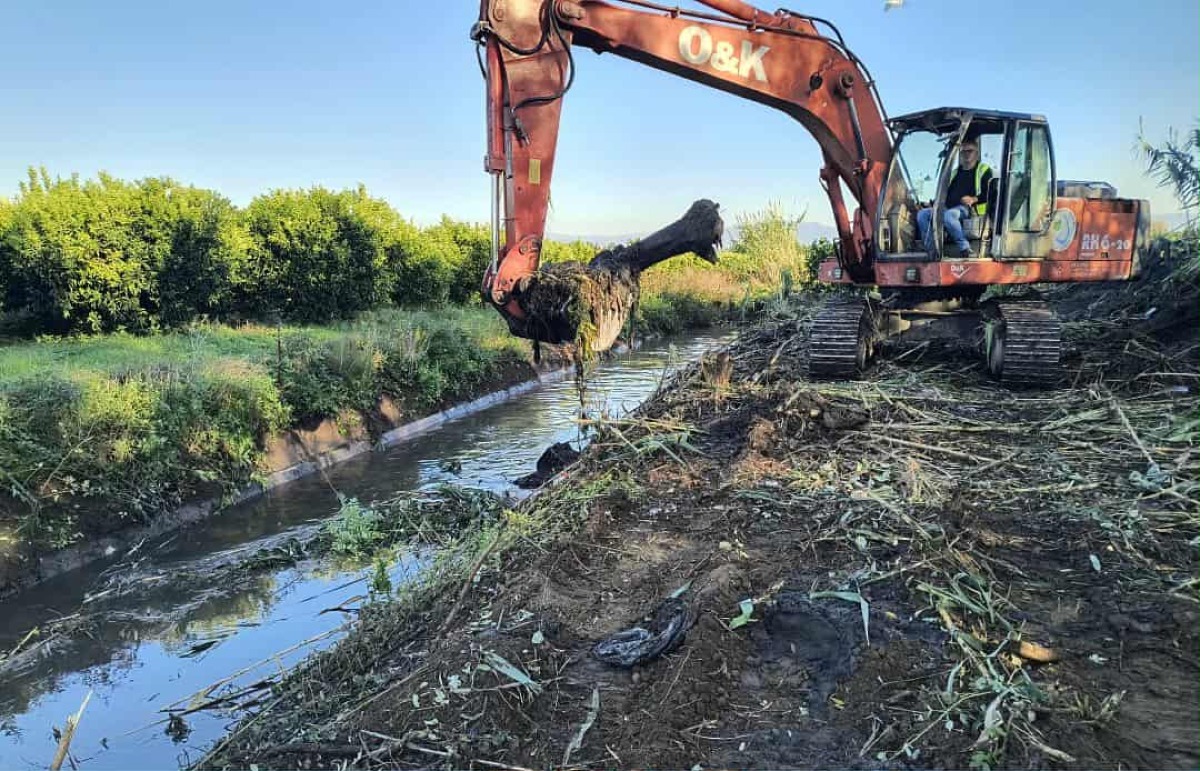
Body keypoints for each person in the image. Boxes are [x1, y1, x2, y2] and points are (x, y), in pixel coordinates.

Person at [917, 137, 993, 257]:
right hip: (948, 207)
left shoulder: (984, 170)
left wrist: (973, 199)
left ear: (976, 153)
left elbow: (991, 194)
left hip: (969, 209)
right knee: (923, 214)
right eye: (963, 152)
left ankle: (965, 247)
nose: (966, 154)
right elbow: (945, 194)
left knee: (949, 215)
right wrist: (933, 204)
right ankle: (931, 249)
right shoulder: (955, 172)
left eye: (970, 151)